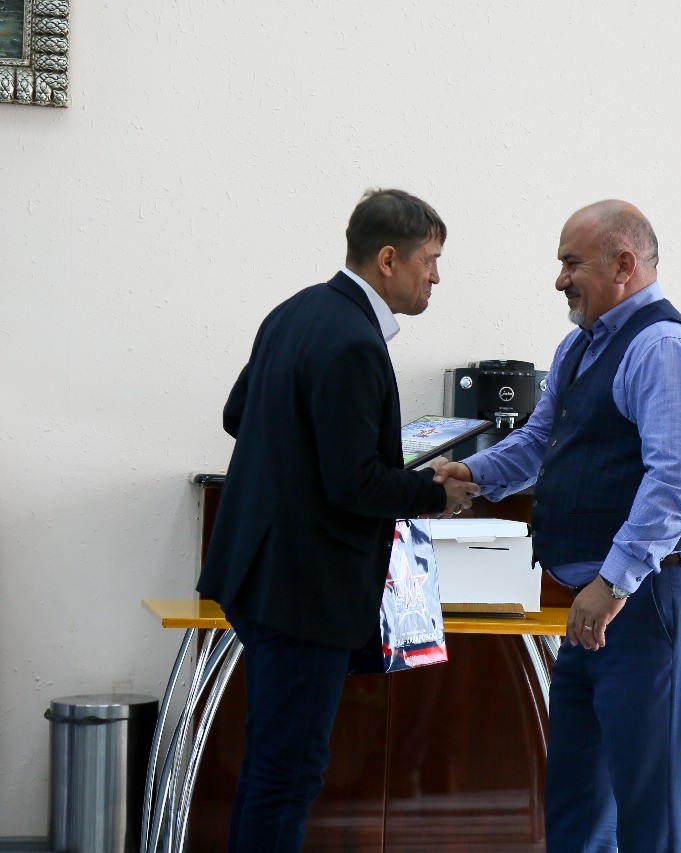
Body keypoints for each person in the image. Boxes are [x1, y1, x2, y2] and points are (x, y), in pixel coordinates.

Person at [435, 199, 681, 852]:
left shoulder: (665, 349)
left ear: (624, 265)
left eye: (572, 263)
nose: (559, 279)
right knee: (575, 807)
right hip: (596, 605)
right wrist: (470, 475)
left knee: (648, 818)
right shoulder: (579, 347)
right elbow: (538, 441)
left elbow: (673, 481)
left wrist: (613, 583)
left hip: (648, 602)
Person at [196, 188, 480, 852]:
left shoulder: (296, 311)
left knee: (272, 766)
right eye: (431, 260)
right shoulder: (354, 342)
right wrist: (435, 493)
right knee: (288, 774)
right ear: (389, 259)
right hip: (305, 590)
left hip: (260, 575)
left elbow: (239, 416)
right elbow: (353, 484)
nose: (437, 276)